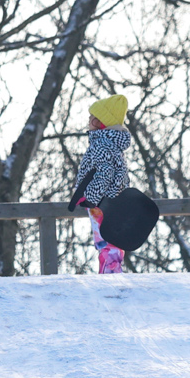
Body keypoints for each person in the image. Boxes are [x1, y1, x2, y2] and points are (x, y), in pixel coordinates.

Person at [72, 94, 134, 274]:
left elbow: (105, 173)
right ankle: (110, 270)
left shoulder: (101, 145)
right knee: (112, 237)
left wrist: (90, 197)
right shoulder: (113, 144)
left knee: (105, 239)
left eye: (92, 118)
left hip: (100, 202)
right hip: (113, 199)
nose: (88, 121)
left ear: (101, 123)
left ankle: (110, 274)